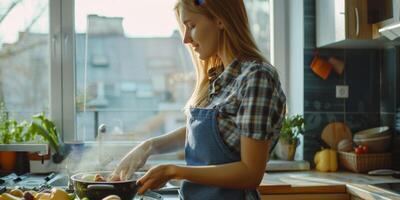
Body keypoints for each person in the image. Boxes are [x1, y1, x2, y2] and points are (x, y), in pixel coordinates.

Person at [111, 0, 286, 199]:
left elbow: (250, 173)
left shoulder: (257, 77)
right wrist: (148, 147)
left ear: (220, 20)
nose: (185, 39)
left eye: (191, 26)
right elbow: (204, 130)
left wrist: (175, 171)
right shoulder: (219, 78)